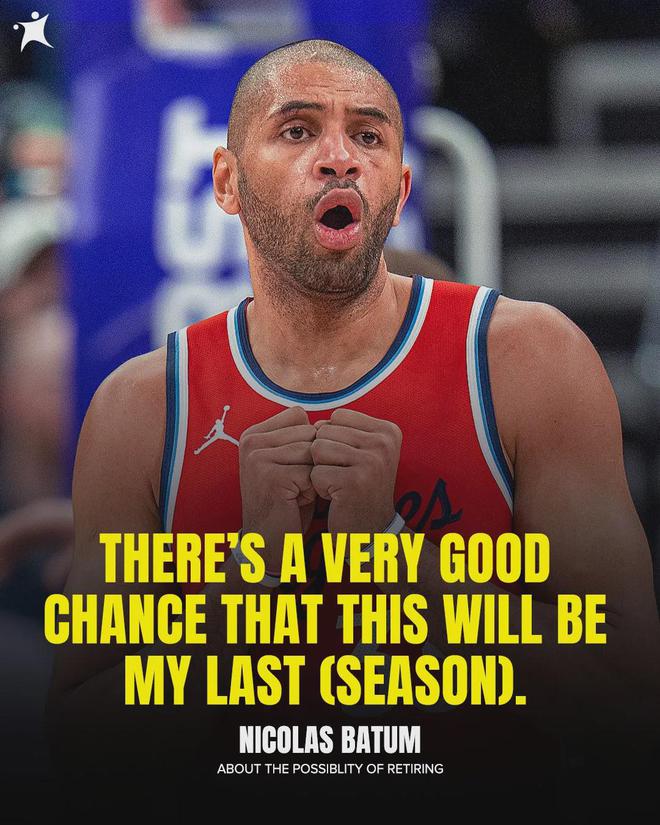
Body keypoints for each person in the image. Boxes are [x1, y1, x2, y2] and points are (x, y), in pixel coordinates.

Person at [49, 39, 660, 819]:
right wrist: (249, 584)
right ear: (226, 181)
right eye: (297, 129)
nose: (339, 157)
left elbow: (631, 699)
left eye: (367, 135)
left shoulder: (528, 358)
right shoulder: (142, 408)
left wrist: (399, 560)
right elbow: (78, 750)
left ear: (399, 189)